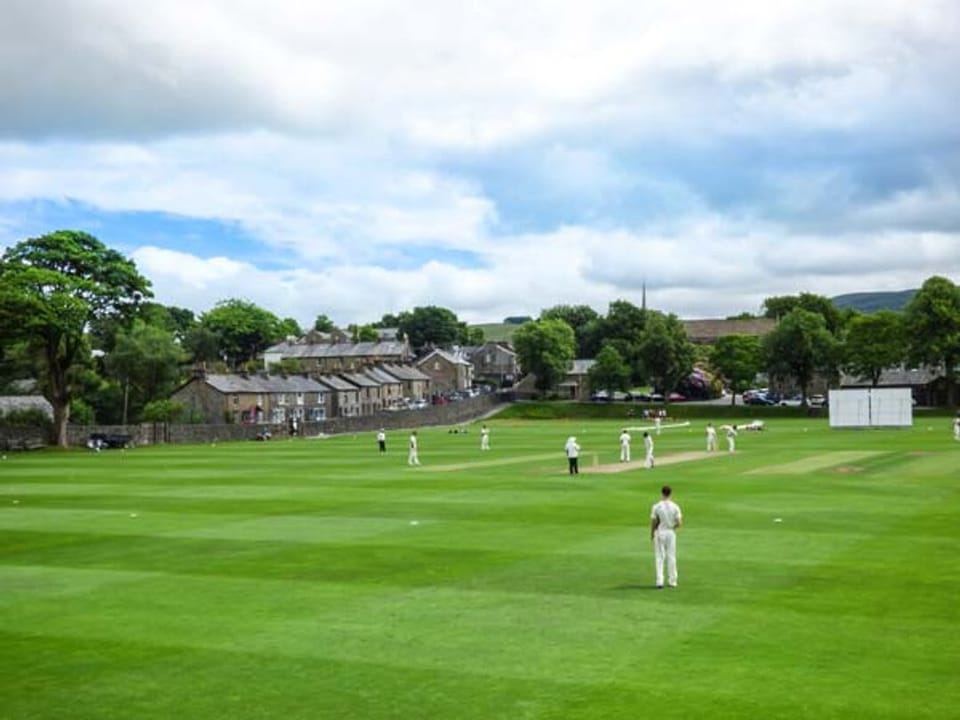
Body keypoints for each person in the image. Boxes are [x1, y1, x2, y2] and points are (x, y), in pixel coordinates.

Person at [650, 485, 682, 588]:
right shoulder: (675, 506)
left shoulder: (656, 506)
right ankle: (673, 581)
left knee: (659, 557)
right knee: (671, 556)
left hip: (660, 532)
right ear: (671, 494)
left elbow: (654, 521)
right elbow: (679, 523)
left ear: (662, 493)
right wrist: (672, 527)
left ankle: (659, 581)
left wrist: (652, 533)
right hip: (670, 533)